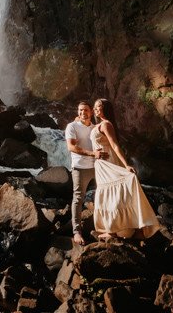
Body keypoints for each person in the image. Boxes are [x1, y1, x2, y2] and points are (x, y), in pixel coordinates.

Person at [91, 98, 160, 240]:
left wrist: (126, 164)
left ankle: (129, 230)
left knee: (115, 195)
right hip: (101, 165)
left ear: (106, 109)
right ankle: (115, 229)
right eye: (95, 106)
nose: (96, 109)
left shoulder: (106, 125)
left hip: (109, 163)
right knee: (109, 196)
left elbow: (115, 146)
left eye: (99, 107)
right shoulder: (98, 125)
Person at [65, 101, 105, 245]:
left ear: (91, 112)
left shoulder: (95, 128)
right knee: (78, 198)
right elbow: (71, 147)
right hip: (79, 168)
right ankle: (77, 232)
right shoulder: (72, 126)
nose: (83, 113)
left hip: (97, 167)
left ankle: (103, 226)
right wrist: (92, 153)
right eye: (80, 110)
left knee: (101, 197)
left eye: (86, 110)